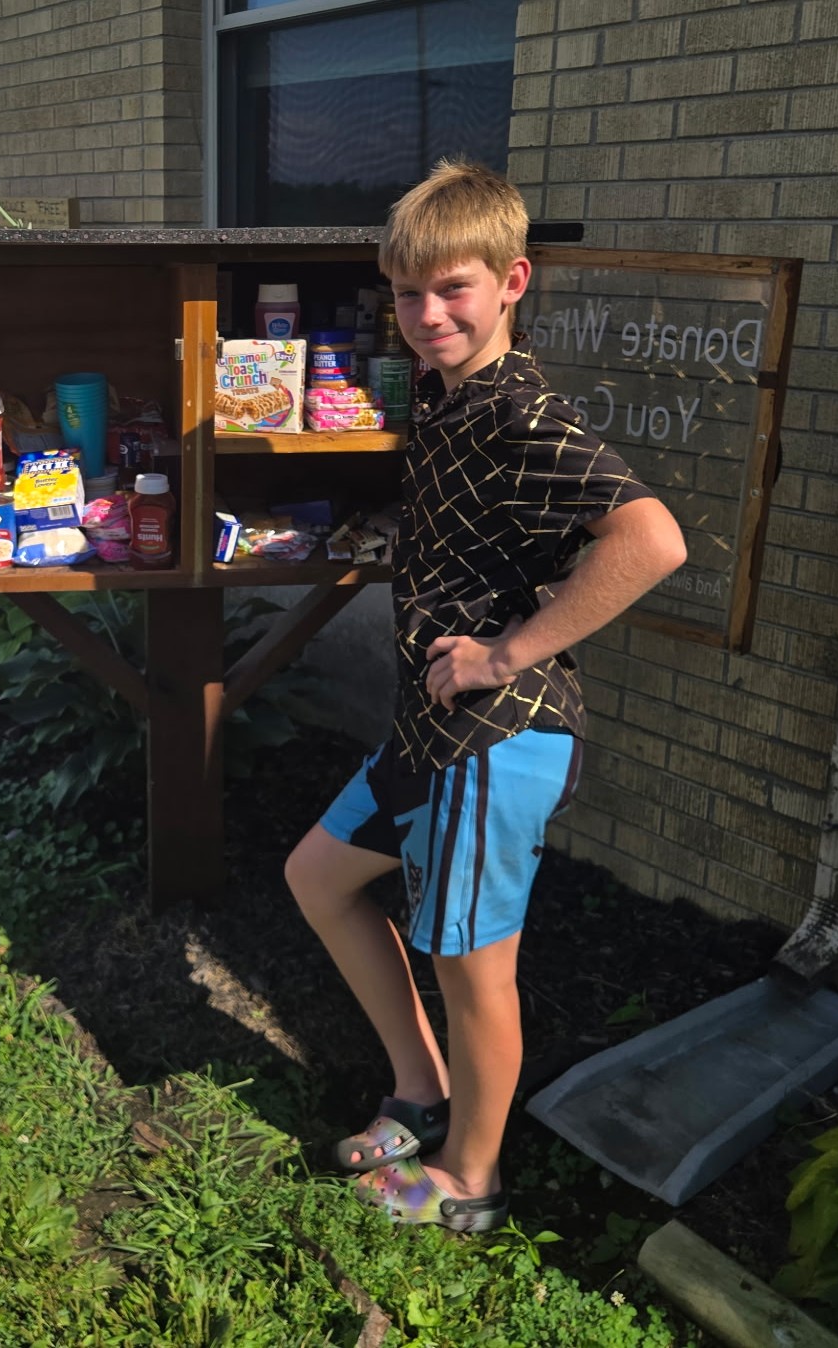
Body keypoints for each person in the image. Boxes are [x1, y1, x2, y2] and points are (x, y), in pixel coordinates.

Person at [283, 160, 687, 1232]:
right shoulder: (446, 393)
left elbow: (651, 540)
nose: (425, 315)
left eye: (451, 289)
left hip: (494, 738)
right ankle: (421, 1088)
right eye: (407, 293)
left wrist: (506, 653)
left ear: (512, 281)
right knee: (319, 876)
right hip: (431, 726)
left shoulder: (519, 414)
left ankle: (469, 1175)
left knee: (470, 963)